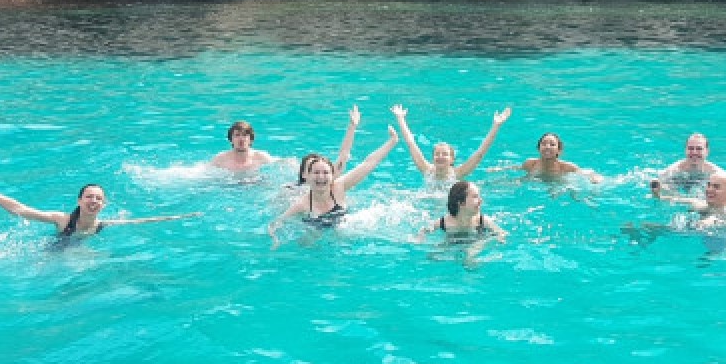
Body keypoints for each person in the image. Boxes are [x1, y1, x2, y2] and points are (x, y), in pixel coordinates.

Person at [268, 126, 399, 245]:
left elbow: (368, 163)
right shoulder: (302, 204)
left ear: (332, 175)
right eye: (316, 173)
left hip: (343, 228)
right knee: (307, 243)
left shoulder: (339, 187)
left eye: (325, 173)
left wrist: (392, 141)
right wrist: (275, 239)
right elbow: (276, 223)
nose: (321, 177)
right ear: (307, 176)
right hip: (315, 229)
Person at [0, 176, 201, 237]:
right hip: (54, 255)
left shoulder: (103, 225)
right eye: (89, 197)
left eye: (98, 198)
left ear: (104, 204)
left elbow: (144, 221)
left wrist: (183, 216)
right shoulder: (62, 220)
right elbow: (20, 209)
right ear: (79, 201)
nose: (94, 201)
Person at [213, 107, 360, 174]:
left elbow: (281, 163)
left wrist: (293, 163)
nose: (241, 139)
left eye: (245, 135)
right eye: (237, 135)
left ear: (251, 139)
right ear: (231, 139)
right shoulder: (220, 159)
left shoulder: (261, 157)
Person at [391, 105, 511, 185]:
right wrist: (400, 118)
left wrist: (496, 126)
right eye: (437, 154)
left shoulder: (458, 174)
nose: (440, 156)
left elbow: (480, 153)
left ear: (452, 159)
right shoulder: (426, 170)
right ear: (433, 158)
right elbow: (411, 144)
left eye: (444, 154)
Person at [652, 170, 726, 227]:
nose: (709, 189)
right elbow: (669, 199)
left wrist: (715, 221)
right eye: (709, 185)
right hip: (689, 233)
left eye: (716, 187)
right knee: (650, 227)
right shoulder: (698, 204)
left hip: (718, 240)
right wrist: (657, 193)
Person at [655, 132, 726, 194]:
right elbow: (659, 185)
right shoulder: (673, 171)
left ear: (707, 151)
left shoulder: (715, 172)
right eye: (691, 148)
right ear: (685, 150)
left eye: (699, 149)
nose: (694, 152)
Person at [418, 181, 506, 242]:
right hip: (451, 243)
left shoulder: (482, 221)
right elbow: (424, 230)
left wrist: (500, 238)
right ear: (461, 203)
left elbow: (501, 233)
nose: (480, 200)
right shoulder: (443, 223)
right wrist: (419, 239)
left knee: (472, 250)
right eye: (475, 197)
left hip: (476, 241)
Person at [519, 132, 601, 182]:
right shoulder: (530, 164)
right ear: (538, 148)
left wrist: (595, 178)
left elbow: (590, 172)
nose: (547, 147)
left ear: (559, 150)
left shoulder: (567, 167)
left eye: (552, 144)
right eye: (544, 144)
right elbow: (517, 169)